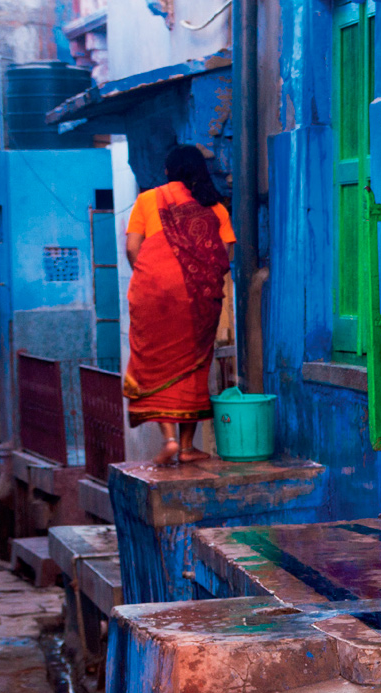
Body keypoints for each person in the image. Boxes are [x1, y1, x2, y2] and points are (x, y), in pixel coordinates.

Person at [123, 145, 235, 465]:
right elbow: (224, 254)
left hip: (151, 292)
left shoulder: (148, 199)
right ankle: (187, 447)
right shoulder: (216, 209)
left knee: (154, 359)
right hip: (197, 295)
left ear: (169, 171)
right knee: (194, 363)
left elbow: (133, 247)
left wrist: (150, 278)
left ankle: (169, 440)